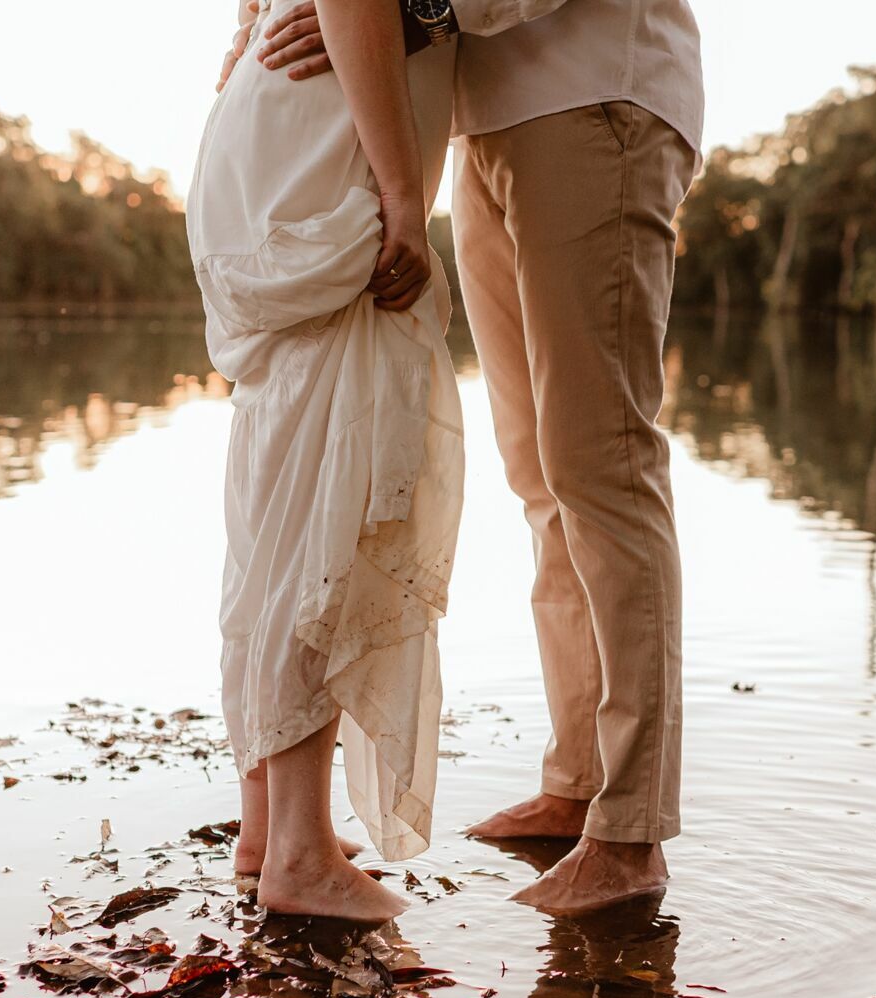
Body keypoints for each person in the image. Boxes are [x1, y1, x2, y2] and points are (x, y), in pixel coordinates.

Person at [243, 0, 703, 914]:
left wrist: (418, 8)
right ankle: (578, 779)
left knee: (602, 463)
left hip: (596, 95)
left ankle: (632, 831)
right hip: (481, 119)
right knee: (540, 475)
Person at [189, 0, 464, 922]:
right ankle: (299, 856)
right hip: (325, 159)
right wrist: (401, 201)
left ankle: (267, 826)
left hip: (285, 139)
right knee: (319, 497)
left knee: (281, 483)